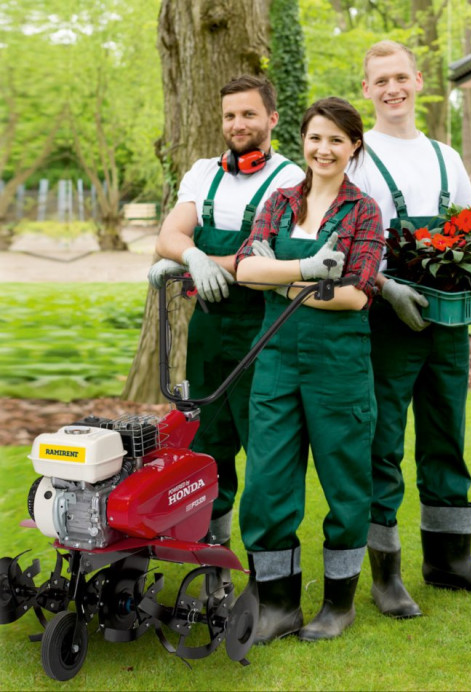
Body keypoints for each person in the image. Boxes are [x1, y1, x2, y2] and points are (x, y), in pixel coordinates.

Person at [347, 40, 471, 619]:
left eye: (401, 77)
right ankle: (387, 572)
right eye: (380, 80)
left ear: (417, 80)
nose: (392, 89)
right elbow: (346, 235)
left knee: (445, 433)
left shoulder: (445, 155)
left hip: (448, 318)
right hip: (386, 316)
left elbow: (469, 229)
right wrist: (385, 286)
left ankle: (450, 560)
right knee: (383, 441)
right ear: (367, 89)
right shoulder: (357, 157)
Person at [235, 97, 384, 644]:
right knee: (268, 482)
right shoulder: (278, 202)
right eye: (316, 137)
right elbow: (245, 269)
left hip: (338, 364)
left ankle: (338, 604)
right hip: (274, 357)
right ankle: (278, 606)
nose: (324, 149)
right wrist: (305, 274)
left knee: (346, 482)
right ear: (304, 140)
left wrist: (276, 278)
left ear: (353, 148)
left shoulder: (364, 211)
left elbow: (354, 295)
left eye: (337, 141)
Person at [148, 75, 304, 595]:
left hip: (267, 330)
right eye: (230, 116)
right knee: (209, 448)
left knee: (267, 450)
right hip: (209, 334)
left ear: (272, 119)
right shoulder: (201, 173)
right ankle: (213, 563)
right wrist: (190, 255)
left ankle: (269, 572)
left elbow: (274, 265)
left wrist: (204, 258)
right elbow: (169, 235)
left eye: (249, 115)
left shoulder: (292, 179)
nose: (238, 125)